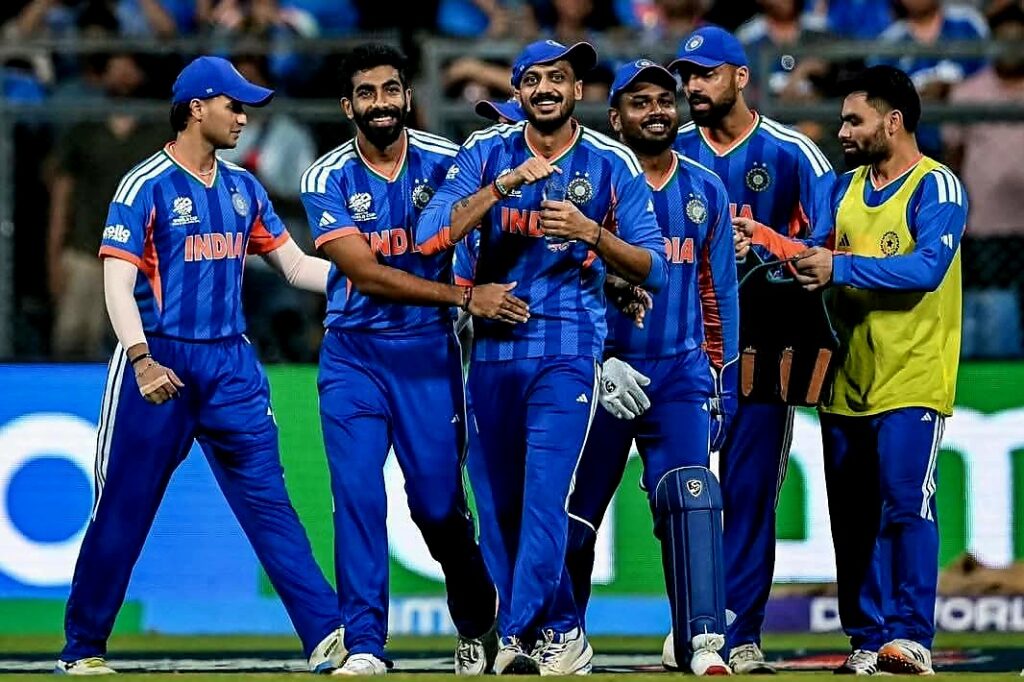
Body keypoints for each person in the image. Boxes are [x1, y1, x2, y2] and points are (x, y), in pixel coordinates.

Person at [56, 56, 345, 676]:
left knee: (270, 503)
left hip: (231, 364)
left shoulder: (245, 187)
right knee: (125, 506)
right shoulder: (145, 184)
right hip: (158, 358)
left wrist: (371, 284)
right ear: (196, 108)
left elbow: (295, 267)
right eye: (233, 106)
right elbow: (116, 281)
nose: (242, 118)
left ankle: (327, 635)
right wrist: (141, 359)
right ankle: (83, 648)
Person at [416, 39, 668, 676]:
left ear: (578, 90)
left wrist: (591, 233)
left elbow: (655, 267)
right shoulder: (485, 152)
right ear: (518, 91)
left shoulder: (610, 163)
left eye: (559, 77)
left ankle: (518, 633)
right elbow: (429, 235)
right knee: (498, 506)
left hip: (567, 350)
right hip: (491, 353)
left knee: (544, 497)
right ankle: (560, 631)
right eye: (533, 79)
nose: (546, 88)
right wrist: (502, 186)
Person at [298, 43, 522, 676]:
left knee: (436, 506)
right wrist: (464, 296)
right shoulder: (327, 178)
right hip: (354, 357)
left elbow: (492, 232)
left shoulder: (447, 161)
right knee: (357, 497)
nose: (381, 103)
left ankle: (477, 618)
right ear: (348, 106)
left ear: (407, 96)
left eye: (390, 90)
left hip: (428, 355)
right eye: (366, 93)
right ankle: (366, 643)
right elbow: (365, 275)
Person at [782, 65, 966, 677]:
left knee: (906, 503)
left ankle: (911, 636)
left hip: (912, 374)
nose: (841, 132)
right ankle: (867, 637)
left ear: (893, 122)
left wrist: (838, 268)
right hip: (846, 377)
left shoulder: (937, 187)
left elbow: (925, 271)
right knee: (852, 519)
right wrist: (769, 246)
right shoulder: (840, 188)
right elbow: (813, 255)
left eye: (853, 121)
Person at [561, 59, 739, 676]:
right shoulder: (589, 185)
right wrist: (593, 360)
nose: (656, 111)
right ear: (615, 118)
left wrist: (724, 383)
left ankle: (702, 640)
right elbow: (559, 282)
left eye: (664, 100)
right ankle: (564, 635)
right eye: (639, 103)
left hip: (679, 374)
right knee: (575, 514)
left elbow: (718, 293)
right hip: (600, 373)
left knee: (693, 498)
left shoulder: (706, 190)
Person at [667, 25, 837, 674]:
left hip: (762, 344)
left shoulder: (793, 153)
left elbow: (828, 246)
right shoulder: (669, 150)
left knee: (749, 489)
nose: (693, 86)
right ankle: (693, 625)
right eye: (687, 76)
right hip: (678, 347)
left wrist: (763, 241)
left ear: (741, 77)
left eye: (706, 73)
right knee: (680, 491)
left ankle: (739, 634)